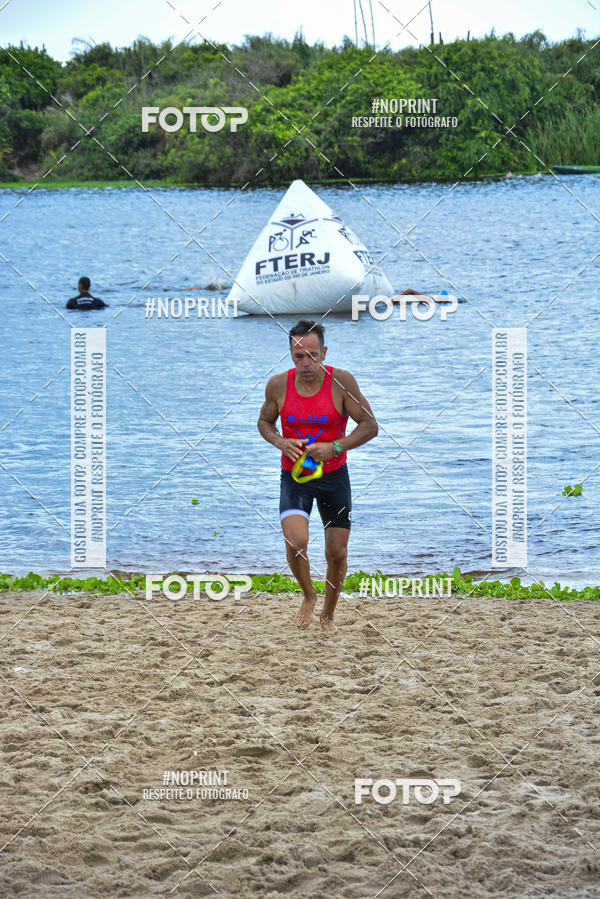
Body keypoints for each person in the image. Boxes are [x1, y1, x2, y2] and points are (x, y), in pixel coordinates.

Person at [257, 319, 379, 632]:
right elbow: (265, 424)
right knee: (295, 543)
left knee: (336, 554)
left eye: (312, 355)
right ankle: (309, 595)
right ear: (290, 355)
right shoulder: (278, 386)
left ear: (323, 352)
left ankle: (328, 614)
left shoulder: (341, 382)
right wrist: (281, 442)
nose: (306, 362)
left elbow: (369, 426)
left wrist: (335, 446)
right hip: (296, 476)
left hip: (334, 477)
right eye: (299, 356)